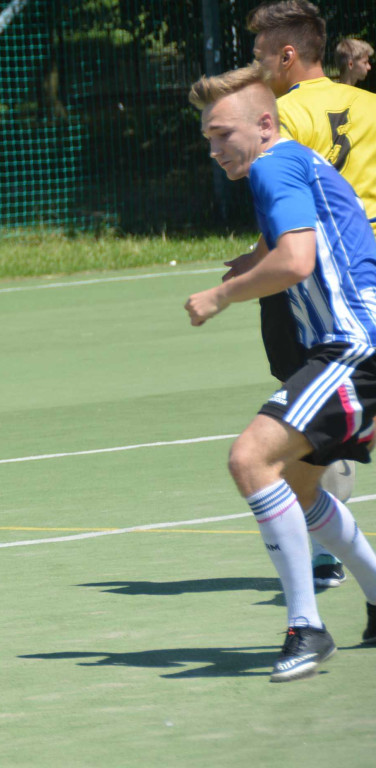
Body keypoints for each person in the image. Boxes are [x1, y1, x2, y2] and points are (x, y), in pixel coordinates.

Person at [185, 64, 376, 682]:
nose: (214, 151)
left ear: (264, 125)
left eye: (222, 135)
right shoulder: (295, 161)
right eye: (208, 139)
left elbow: (296, 261)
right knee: (296, 484)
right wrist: (253, 256)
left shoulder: (271, 165)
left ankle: (306, 627)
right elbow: (306, 238)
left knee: (250, 460)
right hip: (353, 340)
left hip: (356, 346)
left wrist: (222, 295)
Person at [228, 0, 376, 588]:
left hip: (324, 278)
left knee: (311, 416)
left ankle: (323, 557)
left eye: (260, 55)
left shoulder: (280, 116)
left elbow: (290, 205)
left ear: (287, 55)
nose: (256, 66)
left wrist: (254, 263)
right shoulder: (369, 105)